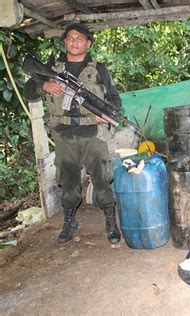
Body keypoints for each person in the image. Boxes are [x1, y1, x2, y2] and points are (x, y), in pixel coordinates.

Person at [25, 23, 122, 243]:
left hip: (93, 133)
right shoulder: (52, 67)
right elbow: (29, 90)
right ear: (65, 42)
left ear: (88, 43)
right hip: (64, 134)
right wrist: (45, 86)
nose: (75, 41)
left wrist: (106, 113)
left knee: (102, 179)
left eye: (80, 38)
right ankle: (69, 222)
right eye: (70, 38)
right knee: (68, 181)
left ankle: (110, 222)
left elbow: (115, 98)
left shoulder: (100, 69)